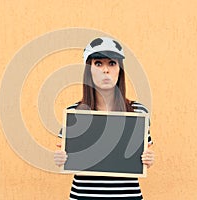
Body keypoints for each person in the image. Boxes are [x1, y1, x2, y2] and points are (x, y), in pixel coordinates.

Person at [54, 37, 155, 200]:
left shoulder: (138, 112)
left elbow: (145, 152)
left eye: (112, 63)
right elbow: (64, 152)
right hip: (84, 195)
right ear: (89, 69)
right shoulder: (74, 113)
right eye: (98, 63)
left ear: (120, 69)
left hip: (126, 195)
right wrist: (60, 158)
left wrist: (149, 159)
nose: (105, 70)